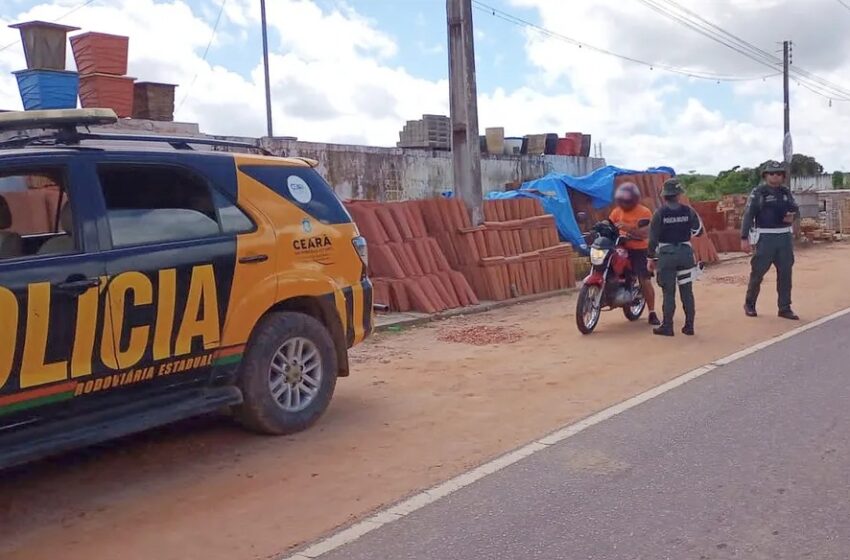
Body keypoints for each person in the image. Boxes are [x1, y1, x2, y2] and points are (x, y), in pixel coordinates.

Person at [741, 160, 799, 320]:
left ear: (783, 176)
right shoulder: (759, 192)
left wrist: (792, 217)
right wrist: (744, 237)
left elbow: (796, 209)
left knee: (785, 273)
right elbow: (748, 215)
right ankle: (750, 304)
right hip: (765, 237)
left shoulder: (786, 192)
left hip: (784, 237)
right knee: (758, 272)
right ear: (765, 176)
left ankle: (785, 307)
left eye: (779, 174)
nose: (775, 176)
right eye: (772, 173)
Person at [647, 178, 704, 337]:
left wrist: (650, 258)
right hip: (686, 254)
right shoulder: (689, 211)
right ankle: (689, 326)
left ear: (664, 196)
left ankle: (667, 326)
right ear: (679, 195)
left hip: (667, 255)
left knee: (668, 292)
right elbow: (699, 231)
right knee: (687, 291)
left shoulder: (659, 213)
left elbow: (652, 239)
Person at [609, 182, 660, 326]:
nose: (624, 203)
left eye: (627, 200)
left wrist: (628, 229)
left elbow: (645, 233)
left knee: (644, 279)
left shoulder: (644, 212)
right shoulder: (616, 212)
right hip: (620, 247)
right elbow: (609, 225)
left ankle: (652, 312)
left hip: (639, 248)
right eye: (622, 200)